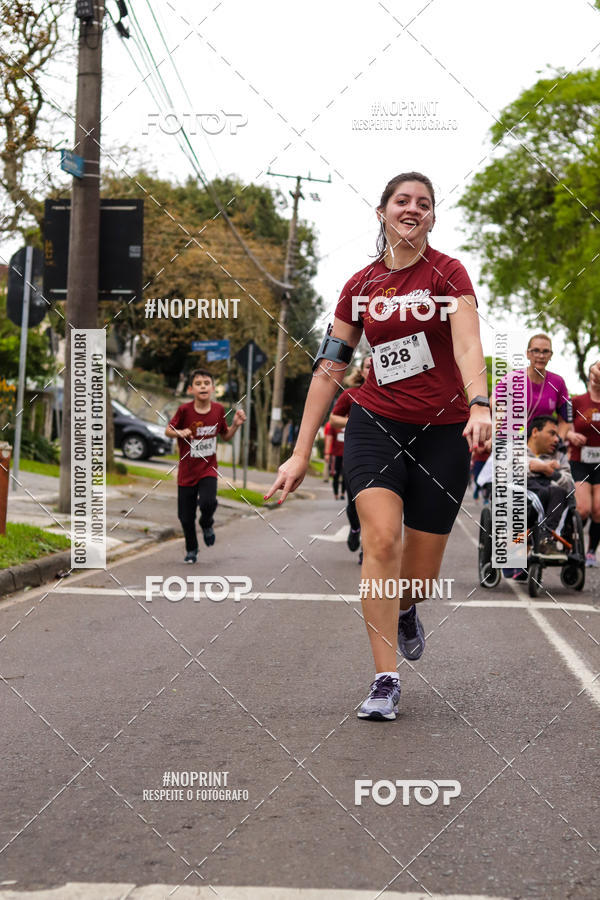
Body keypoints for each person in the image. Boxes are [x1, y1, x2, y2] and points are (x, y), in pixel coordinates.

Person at [265, 171, 491, 721]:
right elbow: (329, 369)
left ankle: (408, 607)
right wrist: (300, 451)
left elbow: (467, 344)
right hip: (376, 423)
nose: (412, 208)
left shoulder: (449, 273)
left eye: (424, 203)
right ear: (382, 212)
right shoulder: (360, 286)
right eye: (402, 200)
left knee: (418, 576)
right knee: (381, 541)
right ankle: (385, 679)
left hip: (442, 434)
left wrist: (480, 402)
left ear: (432, 217)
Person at [166, 368, 246, 564]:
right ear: (190, 389)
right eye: (198, 384)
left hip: (208, 468)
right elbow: (168, 431)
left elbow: (225, 435)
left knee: (208, 502)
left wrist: (235, 425)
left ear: (212, 389)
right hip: (187, 472)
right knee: (185, 517)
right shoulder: (184, 411)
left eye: (206, 383)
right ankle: (191, 549)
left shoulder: (218, 410)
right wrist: (181, 432)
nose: (203, 386)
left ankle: (207, 523)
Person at [330, 356, 372, 554]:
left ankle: (369, 547)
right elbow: (333, 419)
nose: (372, 370)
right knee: (353, 503)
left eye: (376, 366)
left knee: (375, 504)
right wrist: (355, 422)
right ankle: (355, 529)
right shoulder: (350, 395)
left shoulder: (391, 396)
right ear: (362, 371)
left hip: (382, 458)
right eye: (368, 366)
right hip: (354, 455)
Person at [527, 416, 576, 557]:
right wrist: (536, 466)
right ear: (535, 432)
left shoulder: (559, 456)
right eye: (552, 433)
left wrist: (549, 472)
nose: (556, 439)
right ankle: (531, 542)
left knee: (560, 492)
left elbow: (570, 483)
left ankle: (545, 539)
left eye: (557, 435)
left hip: (551, 504)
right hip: (523, 511)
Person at [566, 368, 600, 566]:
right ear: (589, 378)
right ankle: (574, 544)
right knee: (583, 509)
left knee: (598, 510)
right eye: (594, 376)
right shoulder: (577, 401)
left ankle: (590, 552)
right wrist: (571, 436)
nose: (596, 380)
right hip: (580, 462)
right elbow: (565, 426)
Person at [323, 420, 345, 499]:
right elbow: (328, 438)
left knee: (345, 475)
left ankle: (343, 493)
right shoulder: (334, 425)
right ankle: (336, 494)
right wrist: (327, 453)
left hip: (346, 455)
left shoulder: (350, 424)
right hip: (335, 455)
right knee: (335, 475)